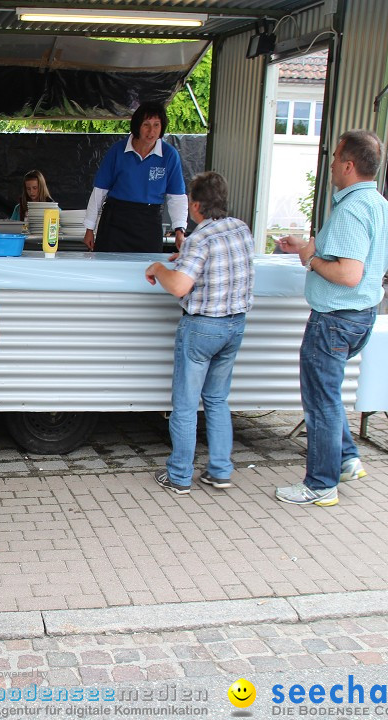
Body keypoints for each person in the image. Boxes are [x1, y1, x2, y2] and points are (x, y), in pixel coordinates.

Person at [274, 130, 388, 507]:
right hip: (361, 316)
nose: (330, 165)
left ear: (348, 165)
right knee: (328, 395)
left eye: (335, 157)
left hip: (334, 320)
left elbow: (347, 273)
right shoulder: (380, 206)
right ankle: (346, 459)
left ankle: (321, 485)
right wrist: (308, 248)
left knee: (321, 402)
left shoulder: (351, 209)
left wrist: (311, 260)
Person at [144, 172, 255, 495]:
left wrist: (159, 268)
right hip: (235, 324)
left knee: (185, 404)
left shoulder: (200, 238)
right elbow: (220, 263)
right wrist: (188, 260)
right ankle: (220, 471)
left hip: (203, 327)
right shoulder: (240, 229)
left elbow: (180, 285)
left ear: (194, 206)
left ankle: (179, 476)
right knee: (218, 399)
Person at [83, 102, 188, 253]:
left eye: (156, 125)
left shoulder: (169, 155)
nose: (151, 131)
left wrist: (179, 230)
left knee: (146, 272)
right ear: (137, 126)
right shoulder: (117, 151)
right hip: (115, 222)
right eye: (146, 124)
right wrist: (89, 228)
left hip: (148, 224)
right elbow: (99, 191)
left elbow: (176, 197)